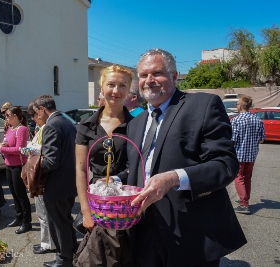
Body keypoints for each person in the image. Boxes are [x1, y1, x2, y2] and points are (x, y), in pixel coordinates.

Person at [126, 48, 246, 266]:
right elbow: (138, 168)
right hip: (144, 230)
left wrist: (174, 178)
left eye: (157, 73)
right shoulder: (136, 123)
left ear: (174, 76)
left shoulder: (202, 105)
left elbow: (225, 165)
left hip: (192, 232)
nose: (149, 80)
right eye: (143, 75)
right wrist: (114, 180)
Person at [74, 65, 134, 266]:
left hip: (128, 202)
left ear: (129, 89)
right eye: (111, 84)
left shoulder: (138, 124)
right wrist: (85, 212)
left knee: (126, 257)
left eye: (122, 85)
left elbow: (140, 165)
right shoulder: (87, 126)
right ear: (101, 87)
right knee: (99, 258)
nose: (116, 91)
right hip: (98, 203)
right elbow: (80, 170)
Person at [33, 95, 78, 267]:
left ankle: (64, 259)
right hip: (68, 182)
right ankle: (72, 252)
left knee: (58, 224)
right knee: (65, 221)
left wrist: (33, 166)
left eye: (37, 112)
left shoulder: (51, 125)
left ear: (43, 109)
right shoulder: (66, 121)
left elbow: (51, 161)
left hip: (57, 184)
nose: (38, 116)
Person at [26, 100, 56, 254]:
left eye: (34, 114)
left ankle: (48, 244)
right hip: (39, 173)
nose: (33, 118)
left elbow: (43, 150)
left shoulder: (47, 128)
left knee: (44, 213)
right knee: (41, 212)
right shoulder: (42, 128)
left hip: (42, 175)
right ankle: (46, 241)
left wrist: (30, 149)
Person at [0, 106, 32, 234]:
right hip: (8, 164)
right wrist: (2, 145)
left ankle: (26, 221)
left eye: (7, 115)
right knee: (13, 193)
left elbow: (20, 149)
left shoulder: (22, 129)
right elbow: (6, 143)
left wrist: (3, 149)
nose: (5, 118)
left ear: (16, 116)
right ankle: (18, 216)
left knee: (21, 195)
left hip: (18, 165)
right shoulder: (10, 129)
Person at [231, 96, 265, 214]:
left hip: (239, 154)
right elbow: (261, 140)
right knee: (247, 178)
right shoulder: (258, 120)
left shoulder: (236, 120)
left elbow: (233, 140)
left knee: (238, 178)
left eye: (237, 104)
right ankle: (244, 198)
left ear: (240, 106)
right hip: (252, 155)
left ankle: (244, 204)